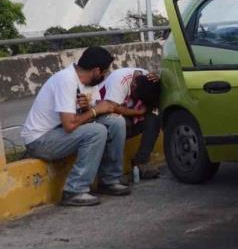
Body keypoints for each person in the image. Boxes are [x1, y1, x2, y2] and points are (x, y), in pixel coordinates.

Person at [21, 46, 130, 207]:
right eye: (105, 72)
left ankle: (109, 180)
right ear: (96, 70)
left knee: (115, 122)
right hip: (41, 140)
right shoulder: (66, 80)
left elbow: (89, 113)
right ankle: (74, 190)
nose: (105, 75)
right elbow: (69, 125)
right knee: (97, 131)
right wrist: (94, 110)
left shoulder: (90, 83)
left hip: (61, 134)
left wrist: (90, 109)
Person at [97, 67, 162, 179]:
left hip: (131, 118)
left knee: (154, 120)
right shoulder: (119, 80)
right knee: (121, 122)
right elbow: (112, 107)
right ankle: (111, 174)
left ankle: (141, 162)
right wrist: (138, 112)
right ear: (133, 86)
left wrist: (159, 80)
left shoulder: (147, 78)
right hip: (107, 118)